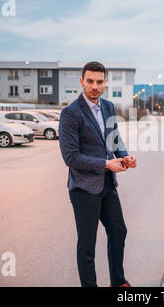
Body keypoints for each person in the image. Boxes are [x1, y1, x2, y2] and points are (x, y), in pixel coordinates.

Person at [59, 61, 137, 287]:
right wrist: (105, 164)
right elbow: (70, 157)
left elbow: (114, 139)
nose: (95, 86)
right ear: (82, 81)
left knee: (118, 231)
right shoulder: (70, 113)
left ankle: (118, 281)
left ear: (105, 83)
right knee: (87, 245)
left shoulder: (108, 107)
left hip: (106, 184)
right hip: (83, 189)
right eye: (90, 81)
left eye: (99, 81)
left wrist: (125, 157)